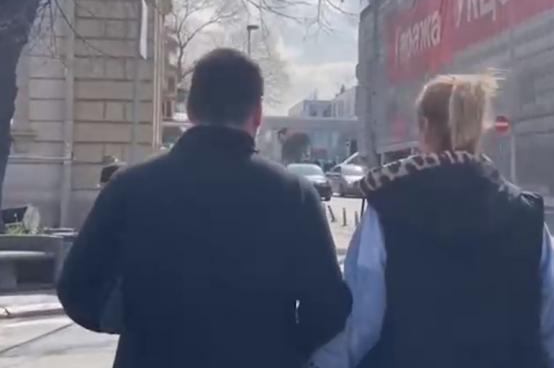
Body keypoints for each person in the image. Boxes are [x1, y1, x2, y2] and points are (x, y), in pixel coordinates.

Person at [58, 48, 351, 368]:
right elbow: (329, 306)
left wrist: (135, 324)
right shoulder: (295, 196)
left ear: (191, 110)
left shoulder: (129, 188)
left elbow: (77, 289)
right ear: (257, 114)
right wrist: (284, 349)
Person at [311, 74, 554, 368]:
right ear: (479, 130)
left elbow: (360, 324)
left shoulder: (387, 209)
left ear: (424, 127)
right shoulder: (525, 215)